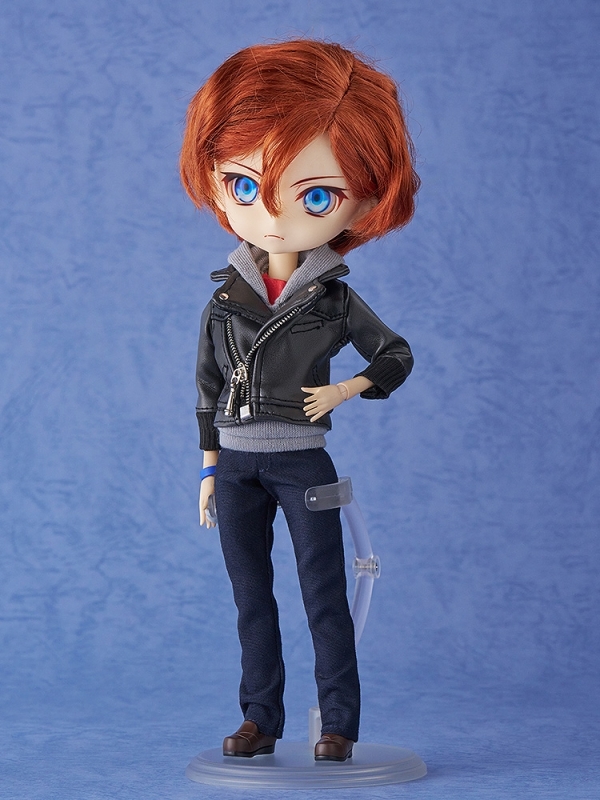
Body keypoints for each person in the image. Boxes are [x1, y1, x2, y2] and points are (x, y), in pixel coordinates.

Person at [180, 39, 419, 762]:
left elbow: (396, 355)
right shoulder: (224, 300)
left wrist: (345, 387)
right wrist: (208, 468)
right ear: (215, 182)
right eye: (245, 184)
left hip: (302, 462)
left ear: (366, 198)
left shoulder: (333, 300)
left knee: (324, 596)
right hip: (236, 466)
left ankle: (337, 722)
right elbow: (207, 386)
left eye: (316, 195)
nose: (275, 216)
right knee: (251, 599)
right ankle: (260, 718)